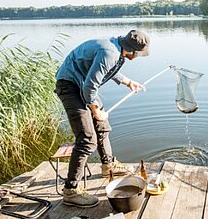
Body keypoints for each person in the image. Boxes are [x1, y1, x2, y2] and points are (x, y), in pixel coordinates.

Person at [54, 30, 150, 208]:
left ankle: (109, 165)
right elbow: (90, 87)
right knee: (87, 139)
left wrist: (128, 82)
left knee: (103, 127)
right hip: (71, 86)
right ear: (132, 51)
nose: (139, 57)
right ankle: (70, 191)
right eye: (139, 54)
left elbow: (105, 69)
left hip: (82, 84)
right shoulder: (110, 53)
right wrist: (95, 111)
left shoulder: (116, 47)